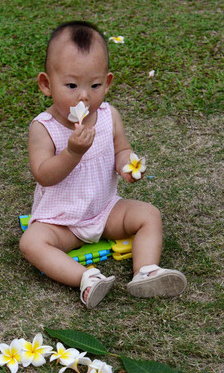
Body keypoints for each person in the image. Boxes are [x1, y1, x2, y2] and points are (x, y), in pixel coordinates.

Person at [19, 20, 187, 309]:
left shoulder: (109, 116)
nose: (84, 95)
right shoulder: (43, 128)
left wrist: (127, 165)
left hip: (105, 209)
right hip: (62, 221)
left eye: (94, 85)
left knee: (149, 214)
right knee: (31, 243)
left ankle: (146, 271)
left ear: (107, 83)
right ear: (47, 85)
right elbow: (44, 175)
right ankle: (85, 279)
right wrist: (72, 152)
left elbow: (121, 148)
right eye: (71, 85)